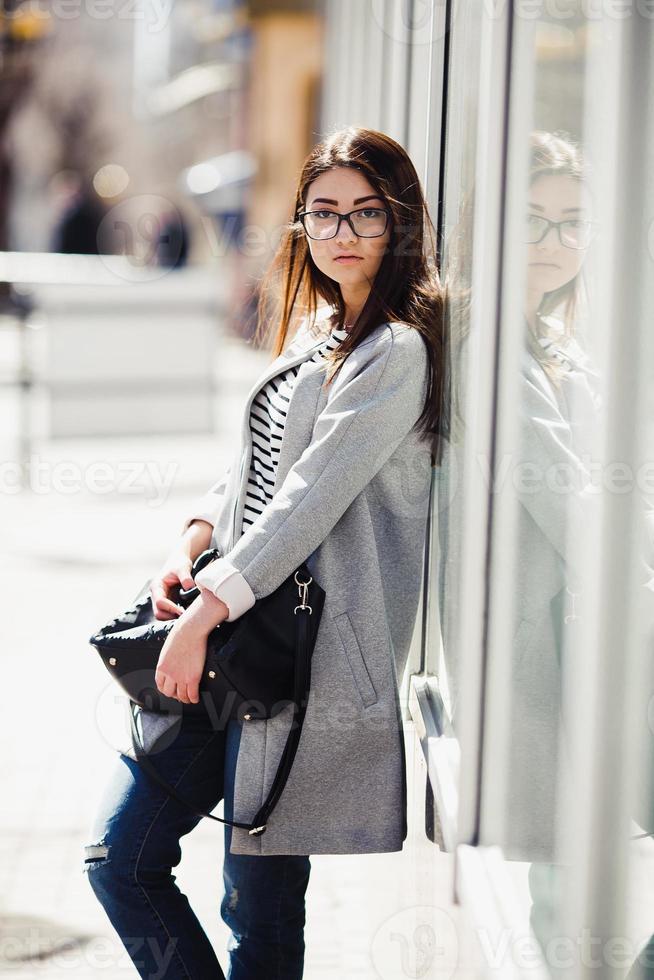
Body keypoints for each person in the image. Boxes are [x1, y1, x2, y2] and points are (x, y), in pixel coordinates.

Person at [83, 125, 447, 979]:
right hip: (240, 639)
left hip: (299, 658)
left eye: (366, 214)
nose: (342, 234)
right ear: (301, 227)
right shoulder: (319, 329)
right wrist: (193, 542)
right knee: (121, 859)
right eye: (324, 215)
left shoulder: (395, 350)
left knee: (259, 905)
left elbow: (308, 500)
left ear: (400, 226)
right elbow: (254, 471)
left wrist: (205, 612)